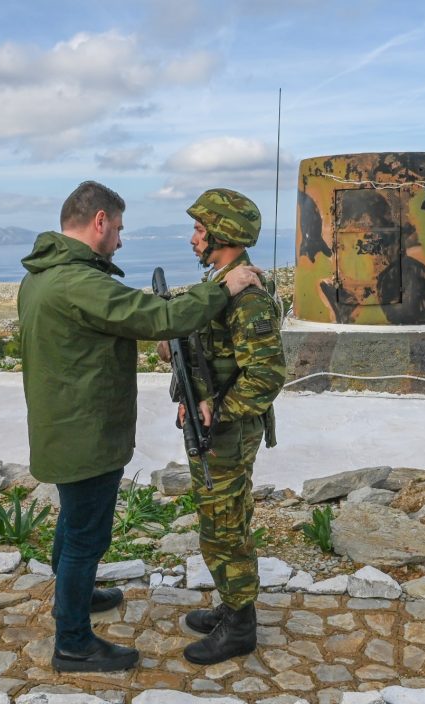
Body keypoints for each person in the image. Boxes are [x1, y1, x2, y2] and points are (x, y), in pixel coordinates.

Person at [18, 180, 264, 673]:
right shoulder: (77, 281)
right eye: (120, 228)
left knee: (73, 526)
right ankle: (72, 642)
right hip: (85, 430)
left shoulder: (44, 275)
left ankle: (76, 599)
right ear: (100, 222)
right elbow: (155, 315)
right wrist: (222, 288)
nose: (122, 240)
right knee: (86, 536)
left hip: (66, 424)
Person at [173, 188, 286, 665]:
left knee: (223, 525)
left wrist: (216, 411)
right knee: (220, 518)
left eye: (201, 229)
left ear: (224, 234)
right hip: (214, 424)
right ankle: (231, 603)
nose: (194, 237)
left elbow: (266, 376)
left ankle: (240, 625)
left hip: (228, 430)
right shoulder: (223, 284)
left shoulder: (249, 299)